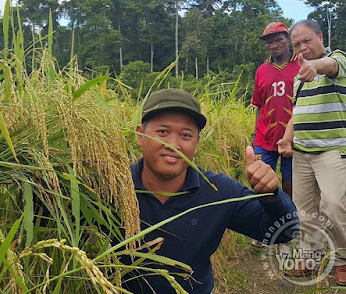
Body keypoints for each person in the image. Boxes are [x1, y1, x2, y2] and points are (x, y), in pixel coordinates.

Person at [123, 88, 299, 293]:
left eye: (186, 135)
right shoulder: (110, 190)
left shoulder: (218, 191)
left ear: (196, 143)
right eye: (163, 132)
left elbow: (286, 231)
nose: (173, 144)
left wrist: (271, 195)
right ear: (140, 135)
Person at [277, 19, 346, 285]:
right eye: (297, 45)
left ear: (320, 37)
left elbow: (329, 66)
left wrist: (314, 66)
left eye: (307, 41)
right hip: (302, 152)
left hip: (332, 151)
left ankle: (342, 258)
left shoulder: (337, 60)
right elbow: (297, 112)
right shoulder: (299, 79)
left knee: (334, 205)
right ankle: (311, 256)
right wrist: (286, 138)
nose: (302, 48)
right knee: (304, 210)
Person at [251, 22, 300, 199]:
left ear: (288, 39)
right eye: (269, 42)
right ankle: (269, 218)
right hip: (264, 139)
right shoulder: (262, 70)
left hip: (294, 139)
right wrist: (254, 134)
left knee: (291, 182)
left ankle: (292, 218)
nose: (273, 46)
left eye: (278, 40)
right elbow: (259, 105)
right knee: (261, 181)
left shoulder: (301, 66)